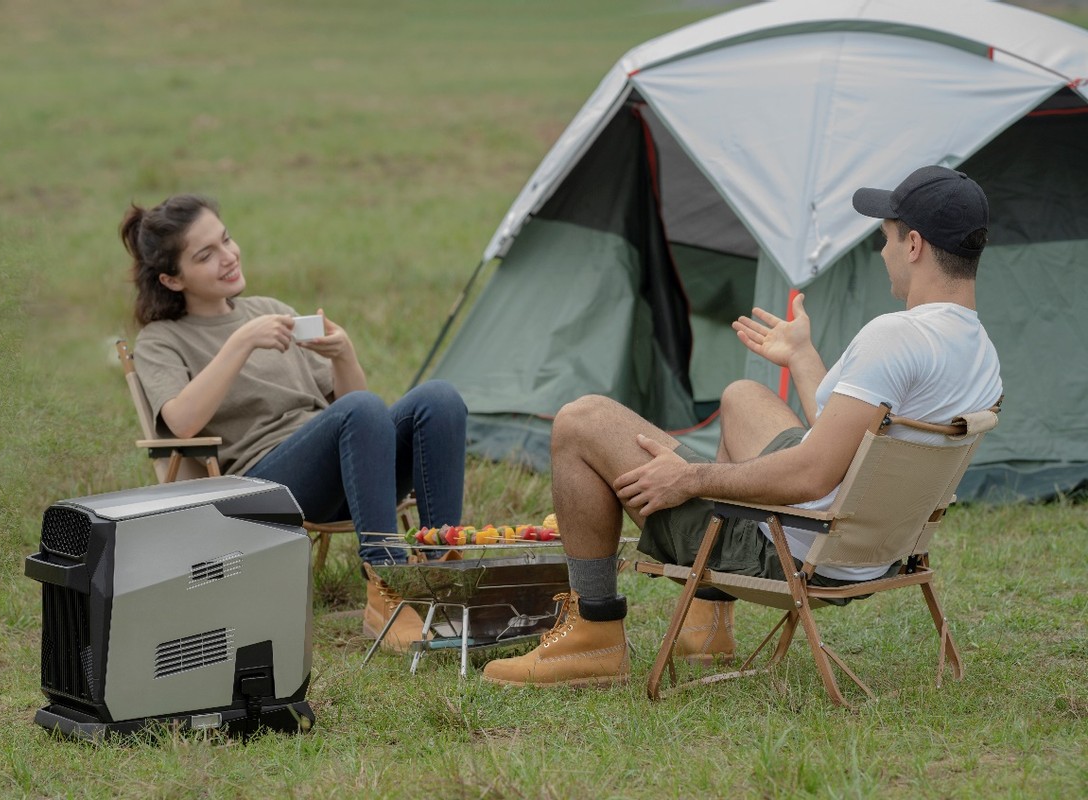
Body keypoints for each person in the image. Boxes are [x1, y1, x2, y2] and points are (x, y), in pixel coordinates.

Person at [482, 165, 1004, 687]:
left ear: (913, 244)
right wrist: (801, 356)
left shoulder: (895, 337)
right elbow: (852, 442)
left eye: (885, 237)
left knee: (580, 421)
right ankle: (706, 624)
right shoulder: (981, 355)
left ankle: (593, 635)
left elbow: (813, 475)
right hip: (874, 548)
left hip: (793, 548)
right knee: (743, 397)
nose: (881, 250)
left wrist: (690, 478)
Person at [120, 194, 468, 652]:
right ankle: (386, 584)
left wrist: (344, 354)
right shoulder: (161, 340)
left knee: (439, 398)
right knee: (361, 410)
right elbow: (182, 422)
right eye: (205, 255)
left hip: (352, 470)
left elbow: (355, 404)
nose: (228, 256)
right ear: (172, 278)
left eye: (226, 240)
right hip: (265, 486)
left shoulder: (269, 309)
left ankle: (446, 576)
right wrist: (241, 341)